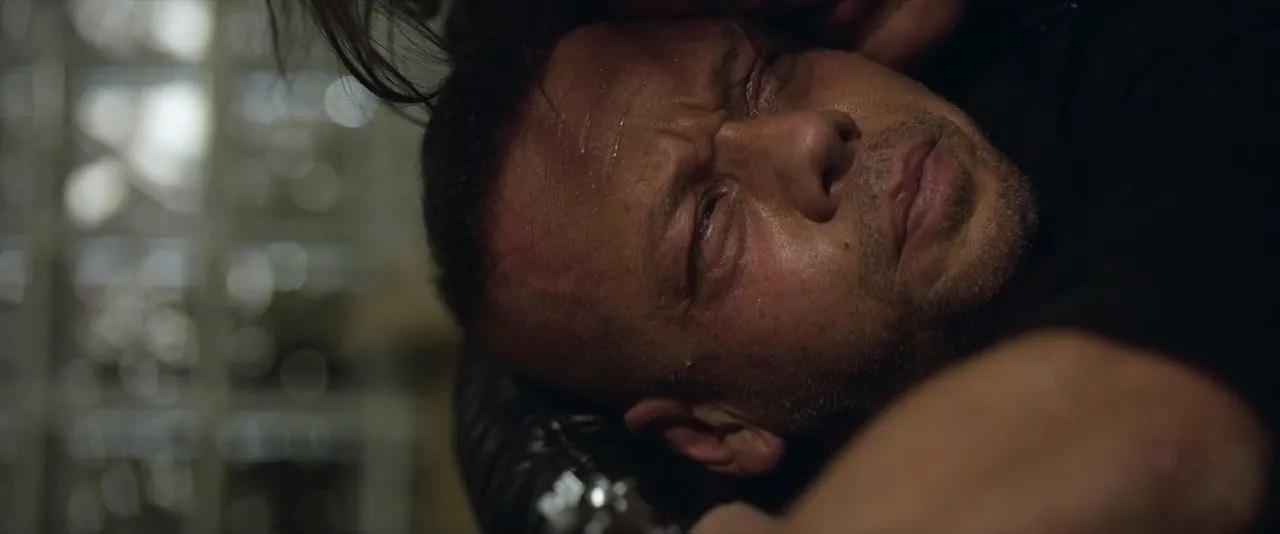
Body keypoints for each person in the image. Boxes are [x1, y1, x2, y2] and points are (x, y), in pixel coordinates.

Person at [271, 0, 1279, 532]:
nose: (806, 138)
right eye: (711, 226)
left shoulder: (1165, 50)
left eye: (763, 72)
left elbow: (1158, 426)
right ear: (710, 434)